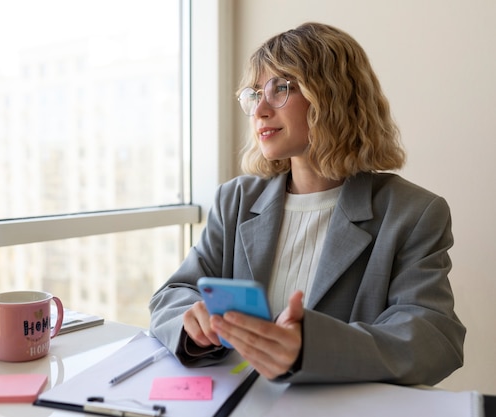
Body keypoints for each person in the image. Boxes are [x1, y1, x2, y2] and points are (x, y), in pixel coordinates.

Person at [148, 22, 465, 386]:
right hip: (237, 400)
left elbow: (433, 336)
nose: (260, 110)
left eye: (281, 88)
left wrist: (309, 348)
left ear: (333, 96)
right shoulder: (235, 199)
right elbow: (172, 295)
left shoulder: (413, 213)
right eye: (254, 95)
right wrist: (193, 322)